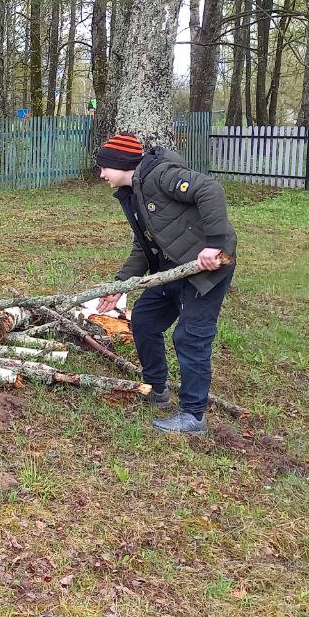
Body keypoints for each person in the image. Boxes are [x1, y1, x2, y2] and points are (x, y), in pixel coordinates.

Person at [94, 131, 237, 434]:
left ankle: (193, 416)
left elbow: (209, 189)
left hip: (206, 270)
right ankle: (157, 388)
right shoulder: (134, 193)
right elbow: (145, 244)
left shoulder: (161, 175)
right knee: (144, 319)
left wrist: (214, 243)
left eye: (104, 166)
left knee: (190, 336)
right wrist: (119, 285)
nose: (102, 173)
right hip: (172, 268)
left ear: (121, 164)